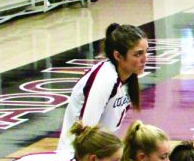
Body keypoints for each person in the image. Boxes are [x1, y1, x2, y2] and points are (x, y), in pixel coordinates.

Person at [57, 22, 147, 153]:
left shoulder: (128, 76)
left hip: (101, 154)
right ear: (118, 56)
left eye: (146, 52)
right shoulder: (105, 79)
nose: (145, 59)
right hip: (77, 157)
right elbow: (87, 132)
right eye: (138, 54)